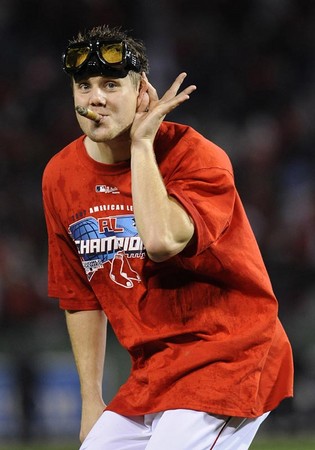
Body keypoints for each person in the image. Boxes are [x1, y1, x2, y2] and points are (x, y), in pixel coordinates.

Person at [42, 24, 294, 450]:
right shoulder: (60, 175)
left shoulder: (197, 157)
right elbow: (79, 295)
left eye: (110, 84)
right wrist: (90, 400)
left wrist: (142, 145)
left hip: (228, 355)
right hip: (154, 370)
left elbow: (160, 241)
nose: (95, 98)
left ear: (142, 91)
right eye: (83, 85)